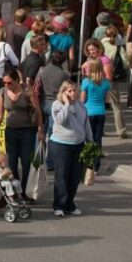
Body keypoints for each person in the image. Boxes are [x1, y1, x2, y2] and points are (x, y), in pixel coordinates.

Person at [0, 68, 44, 194]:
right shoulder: (2, 92)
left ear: (17, 80)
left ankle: (26, 191)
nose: (6, 85)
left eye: (9, 83)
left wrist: (40, 130)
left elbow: (37, 112)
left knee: (26, 163)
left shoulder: (27, 90)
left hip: (28, 131)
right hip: (11, 131)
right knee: (11, 162)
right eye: (4, 83)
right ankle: (16, 190)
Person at [50, 81, 92, 218]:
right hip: (61, 145)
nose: (73, 94)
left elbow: (86, 125)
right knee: (61, 176)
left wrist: (90, 142)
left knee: (74, 177)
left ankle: (69, 203)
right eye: (69, 91)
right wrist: (66, 104)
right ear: (63, 93)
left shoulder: (81, 106)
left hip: (78, 145)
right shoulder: (57, 105)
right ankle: (59, 205)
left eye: (75, 91)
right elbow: (60, 120)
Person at [37, 51, 69, 170]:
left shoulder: (43, 70)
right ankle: (50, 162)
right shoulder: (63, 75)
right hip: (55, 104)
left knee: (40, 133)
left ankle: (37, 160)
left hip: (43, 102)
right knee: (52, 135)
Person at [80, 59, 110, 172]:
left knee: (88, 138)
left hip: (89, 112)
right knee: (98, 139)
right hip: (101, 112)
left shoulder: (86, 82)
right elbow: (107, 100)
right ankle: (96, 165)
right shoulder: (106, 83)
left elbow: (82, 100)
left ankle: (89, 164)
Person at [100, 28, 129, 138]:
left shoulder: (99, 46)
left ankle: (100, 129)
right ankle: (121, 131)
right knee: (116, 105)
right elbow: (126, 63)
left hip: (98, 78)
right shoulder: (118, 47)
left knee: (99, 104)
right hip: (112, 78)